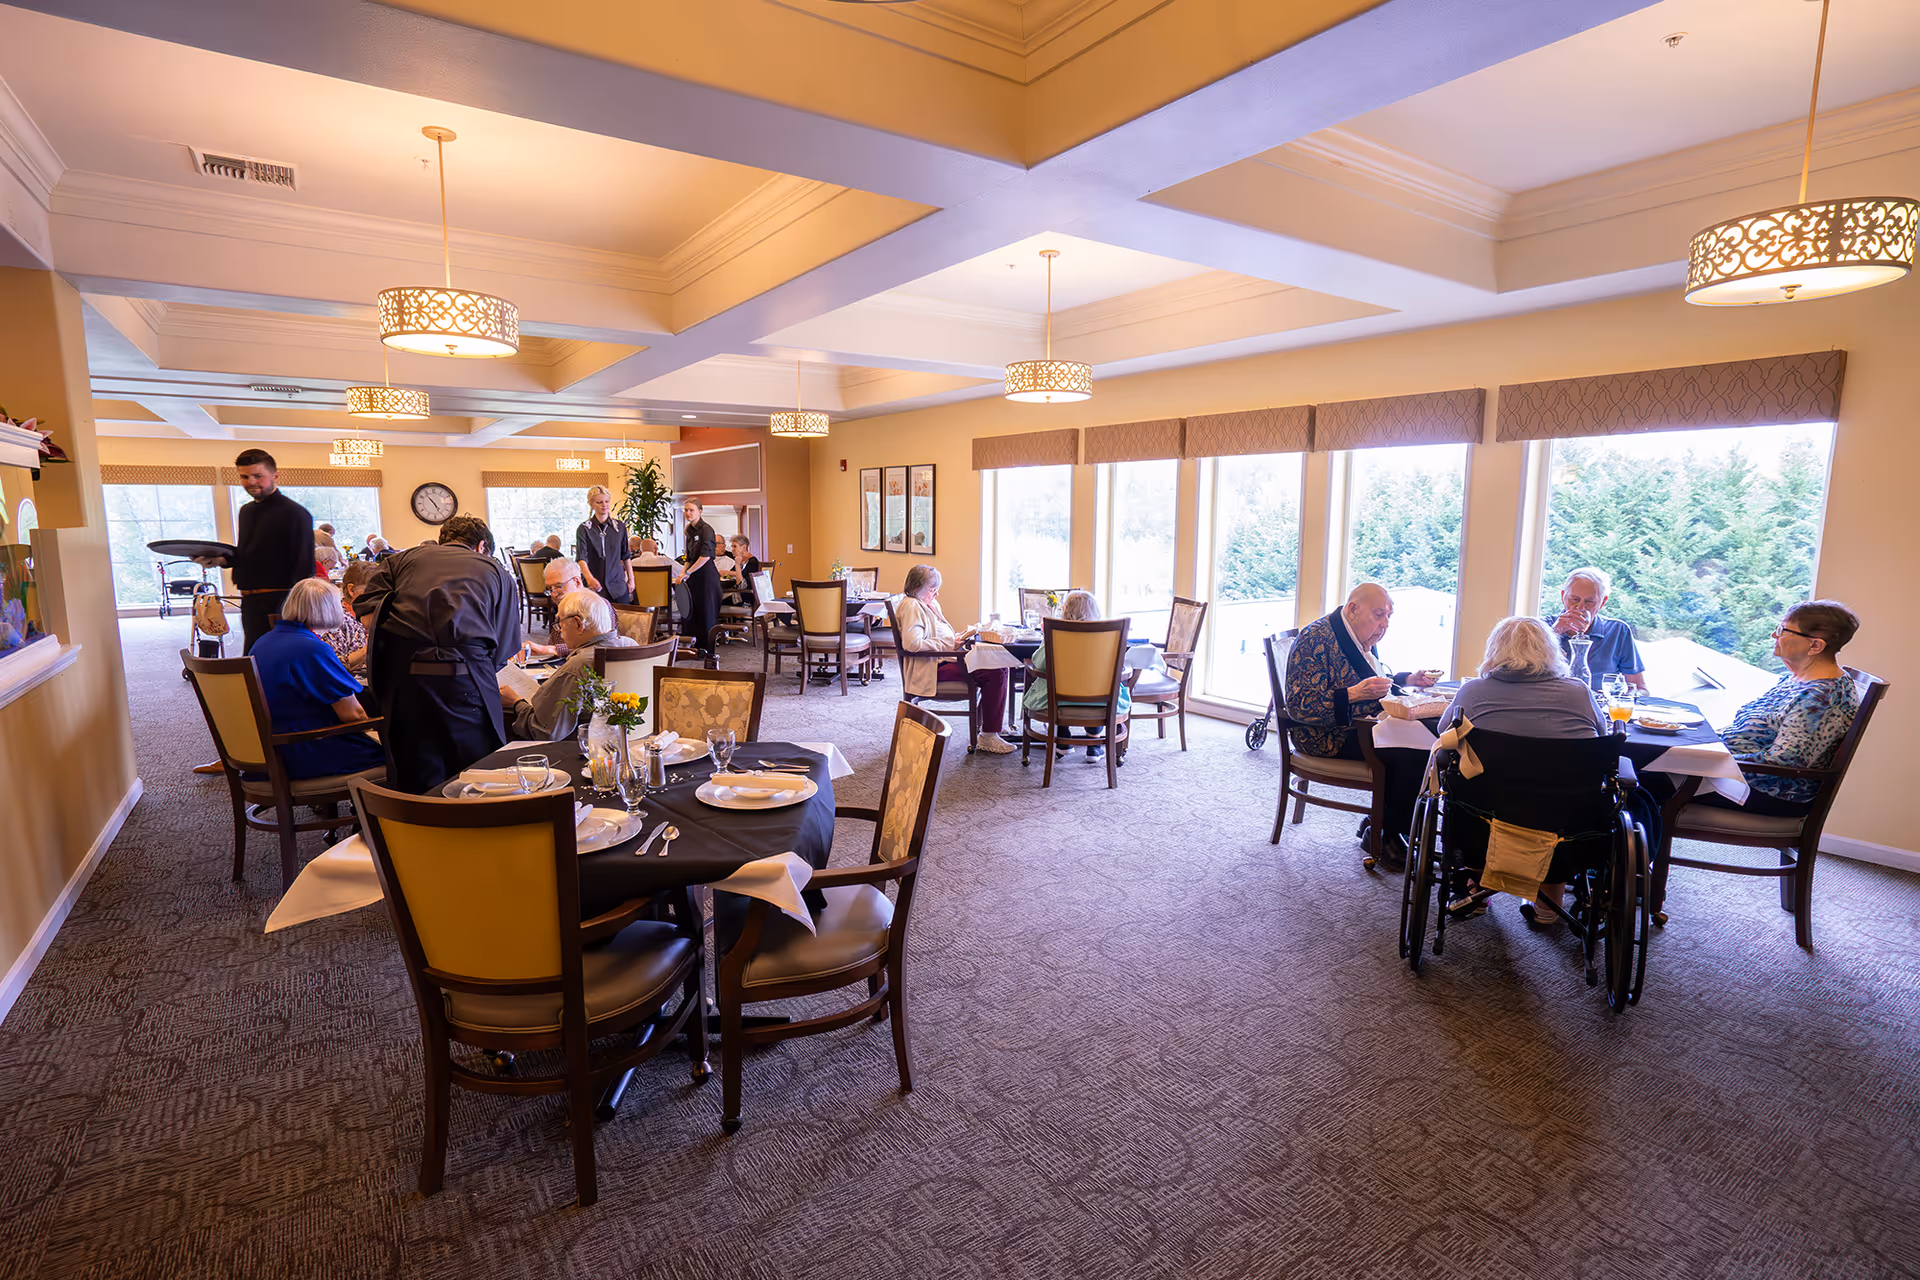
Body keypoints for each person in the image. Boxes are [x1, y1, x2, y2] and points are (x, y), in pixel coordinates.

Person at [1437, 615, 1605, 925]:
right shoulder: (1579, 692)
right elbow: (1602, 739)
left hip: (1485, 826)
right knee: (1562, 805)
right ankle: (1548, 904)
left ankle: (1476, 888)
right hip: (1566, 831)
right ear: (1550, 651)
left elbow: (1444, 733)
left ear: (1495, 650)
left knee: (1470, 791)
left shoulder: (1473, 692)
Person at [352, 514, 522, 795]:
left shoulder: (400, 560)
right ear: (481, 546)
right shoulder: (496, 570)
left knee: (417, 771)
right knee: (476, 775)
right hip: (467, 679)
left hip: (406, 681)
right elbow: (504, 647)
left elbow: (368, 619)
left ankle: (422, 830)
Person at [1650, 601, 1862, 819]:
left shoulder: (1822, 697)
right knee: (1638, 764)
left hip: (1765, 788)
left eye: (1782, 630)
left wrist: (1709, 760)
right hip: (1734, 772)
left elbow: (1785, 761)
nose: (1773, 635)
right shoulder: (1798, 678)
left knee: (1638, 781)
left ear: (1815, 646)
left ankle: (1636, 849)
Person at [1284, 582, 1439, 868]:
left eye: (1388, 616)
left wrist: (1407, 679)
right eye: (1379, 615)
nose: (1385, 624)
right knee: (1412, 754)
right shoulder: (1315, 639)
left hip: (1361, 725)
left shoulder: (1359, 635)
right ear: (1353, 609)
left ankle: (1381, 819)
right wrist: (1356, 693)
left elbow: (1372, 678)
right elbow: (1300, 705)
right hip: (1324, 734)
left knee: (1426, 741)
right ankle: (1387, 835)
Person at [246, 578, 383, 780]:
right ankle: (382, 806)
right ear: (329, 609)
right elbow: (353, 716)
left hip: (267, 751)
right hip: (302, 751)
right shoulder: (312, 649)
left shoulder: (264, 640)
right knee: (405, 751)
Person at [895, 563, 1015, 754]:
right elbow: (913, 645)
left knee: (997, 665)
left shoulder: (927, 604)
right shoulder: (912, 607)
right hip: (930, 667)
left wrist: (957, 638)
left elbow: (935, 636)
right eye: (933, 589)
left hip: (942, 659)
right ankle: (989, 735)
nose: (937, 594)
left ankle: (990, 727)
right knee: (995, 671)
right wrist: (950, 643)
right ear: (918, 588)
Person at [498, 591, 636, 741]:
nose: (560, 631)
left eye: (560, 624)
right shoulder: (631, 645)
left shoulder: (578, 666)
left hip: (580, 746)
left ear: (578, 624)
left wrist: (516, 703)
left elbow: (546, 732)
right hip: (630, 737)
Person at [1022, 590, 1131, 761]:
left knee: (1054, 688)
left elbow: (1039, 663)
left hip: (1057, 701)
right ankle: (1094, 744)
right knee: (1098, 691)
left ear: (1065, 610)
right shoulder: (1108, 635)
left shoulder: (1055, 632)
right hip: (1102, 700)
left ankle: (1062, 739)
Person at [1546, 567, 1645, 691]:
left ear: (1602, 603)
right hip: (1552, 705)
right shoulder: (1540, 627)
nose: (1580, 607)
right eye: (1574, 599)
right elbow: (1521, 677)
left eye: (1589, 601)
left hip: (1599, 707)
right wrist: (1554, 632)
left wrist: (1621, 699)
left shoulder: (1617, 631)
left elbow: (1640, 688)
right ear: (1563, 597)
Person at [675, 497, 722, 659]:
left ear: (700, 511)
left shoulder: (706, 529)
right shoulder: (689, 529)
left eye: (691, 510)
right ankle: (693, 650)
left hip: (707, 578)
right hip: (694, 576)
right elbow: (689, 557)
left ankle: (707, 652)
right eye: (686, 510)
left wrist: (688, 573)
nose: (688, 513)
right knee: (691, 613)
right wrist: (683, 573)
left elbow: (705, 557)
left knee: (706, 615)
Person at [576, 485, 634, 605]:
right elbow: (581, 558)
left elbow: (626, 556)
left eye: (606, 501)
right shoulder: (584, 528)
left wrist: (631, 579)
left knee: (622, 621)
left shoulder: (620, 527)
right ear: (591, 504)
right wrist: (589, 579)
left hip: (617, 585)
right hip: (595, 585)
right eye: (599, 502)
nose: (604, 505)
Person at [523, 556, 587, 658]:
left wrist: (551, 649)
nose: (553, 594)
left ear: (577, 582)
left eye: (558, 586)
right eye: (549, 588)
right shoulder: (563, 610)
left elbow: (595, 646)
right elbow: (553, 645)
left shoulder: (598, 608)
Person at [326, 559, 377, 673]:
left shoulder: (371, 615)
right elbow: (332, 666)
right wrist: (371, 646)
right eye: (373, 591)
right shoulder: (337, 620)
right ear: (351, 590)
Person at [727, 535, 764, 608]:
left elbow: (741, 585)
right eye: (731, 547)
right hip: (739, 595)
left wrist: (737, 565)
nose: (732, 549)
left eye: (735, 546)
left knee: (715, 601)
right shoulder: (742, 561)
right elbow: (731, 574)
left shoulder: (752, 562)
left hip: (745, 599)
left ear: (743, 547)